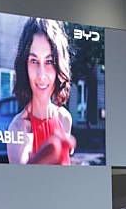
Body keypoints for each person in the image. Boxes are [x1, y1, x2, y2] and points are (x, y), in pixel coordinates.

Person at [7, 18, 75, 165]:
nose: (41, 75)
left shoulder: (65, 119)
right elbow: (19, 184)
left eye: (49, 61)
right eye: (34, 61)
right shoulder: (18, 127)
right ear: (24, 65)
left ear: (59, 66)